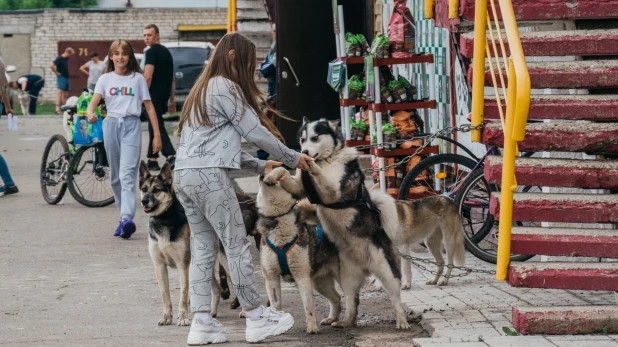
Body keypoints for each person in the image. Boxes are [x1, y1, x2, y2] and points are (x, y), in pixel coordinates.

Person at [175, 32, 313, 345]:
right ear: (234, 57)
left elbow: (217, 148)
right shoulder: (225, 85)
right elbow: (255, 131)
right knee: (236, 245)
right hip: (210, 178)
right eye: (248, 66)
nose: (249, 74)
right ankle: (255, 316)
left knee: (202, 248)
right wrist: (292, 157)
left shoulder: (200, 89)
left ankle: (201, 324)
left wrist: (261, 166)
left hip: (184, 176)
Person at [86, 39, 162, 239]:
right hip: (110, 125)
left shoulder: (137, 79)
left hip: (131, 126)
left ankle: (127, 218)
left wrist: (157, 135)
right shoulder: (105, 79)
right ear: (111, 56)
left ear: (129, 57)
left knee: (128, 173)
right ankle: (123, 218)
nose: (121, 57)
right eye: (117, 53)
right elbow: (93, 102)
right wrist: (90, 112)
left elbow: (149, 107)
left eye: (124, 53)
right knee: (115, 176)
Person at [142, 24, 176, 171]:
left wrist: (141, 95)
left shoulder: (150, 52)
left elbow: (148, 76)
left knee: (157, 125)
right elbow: (173, 78)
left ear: (157, 36)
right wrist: (172, 100)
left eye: (149, 35)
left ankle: (170, 155)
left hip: (152, 95)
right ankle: (152, 159)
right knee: (154, 124)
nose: (146, 38)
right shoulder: (166, 52)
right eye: (144, 35)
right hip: (163, 95)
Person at [257, 23, 278, 161]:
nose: (273, 33)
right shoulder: (273, 47)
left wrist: (264, 67)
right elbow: (263, 66)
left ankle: (262, 155)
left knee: (268, 125)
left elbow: (266, 68)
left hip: (277, 91)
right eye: (272, 30)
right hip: (272, 91)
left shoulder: (280, 47)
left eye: (275, 31)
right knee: (269, 124)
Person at [50, 47, 74, 115]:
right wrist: (57, 73)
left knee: (66, 94)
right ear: (68, 53)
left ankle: (65, 109)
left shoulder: (66, 59)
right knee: (60, 93)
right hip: (61, 77)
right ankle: (57, 109)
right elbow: (51, 65)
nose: (70, 56)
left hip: (66, 77)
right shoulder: (59, 58)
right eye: (70, 54)